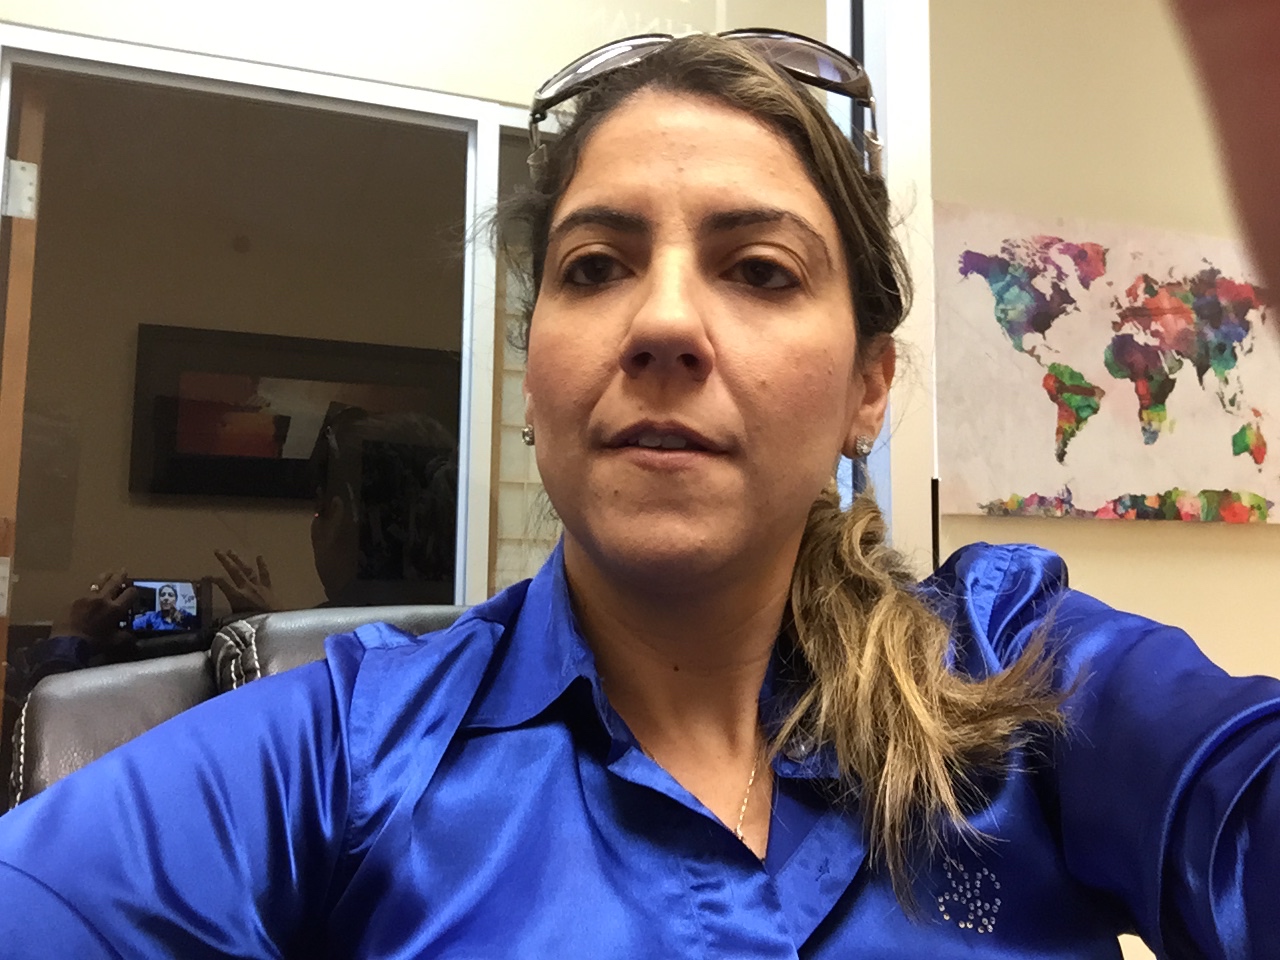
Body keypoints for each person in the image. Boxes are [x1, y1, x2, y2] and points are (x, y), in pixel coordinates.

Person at [0, 30, 1275, 958]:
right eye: (596, 265)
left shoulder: (1013, 670)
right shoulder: (341, 755)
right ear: (534, 377)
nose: (662, 321)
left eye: (759, 270)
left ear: (866, 389)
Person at [211, 405, 459, 614]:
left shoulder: (325, 646)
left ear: (337, 516)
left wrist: (273, 632)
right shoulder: (469, 624)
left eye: (318, 512)